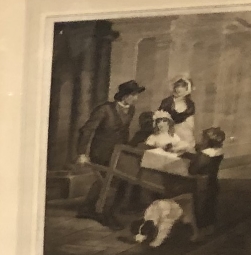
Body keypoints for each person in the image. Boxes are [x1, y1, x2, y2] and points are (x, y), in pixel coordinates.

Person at [74, 80, 146, 222]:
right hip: (101, 152)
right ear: (125, 96)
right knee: (108, 180)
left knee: (111, 180)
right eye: (134, 95)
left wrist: (128, 149)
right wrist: (82, 153)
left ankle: (89, 209)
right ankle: (105, 213)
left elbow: (124, 132)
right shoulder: (104, 109)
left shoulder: (131, 110)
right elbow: (87, 130)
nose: (136, 98)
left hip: (119, 152)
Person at [187, 126, 228, 228]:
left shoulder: (205, 155)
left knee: (200, 207)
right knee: (210, 204)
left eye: (203, 138)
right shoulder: (219, 152)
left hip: (202, 183)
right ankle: (210, 225)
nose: (201, 139)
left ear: (207, 141)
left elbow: (192, 170)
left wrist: (195, 157)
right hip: (213, 180)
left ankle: (200, 230)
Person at [159, 77, 198, 149]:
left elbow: (190, 122)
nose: (178, 89)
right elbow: (160, 116)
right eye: (177, 86)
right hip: (167, 129)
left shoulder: (190, 104)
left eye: (182, 87)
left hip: (184, 133)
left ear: (187, 90)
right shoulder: (167, 102)